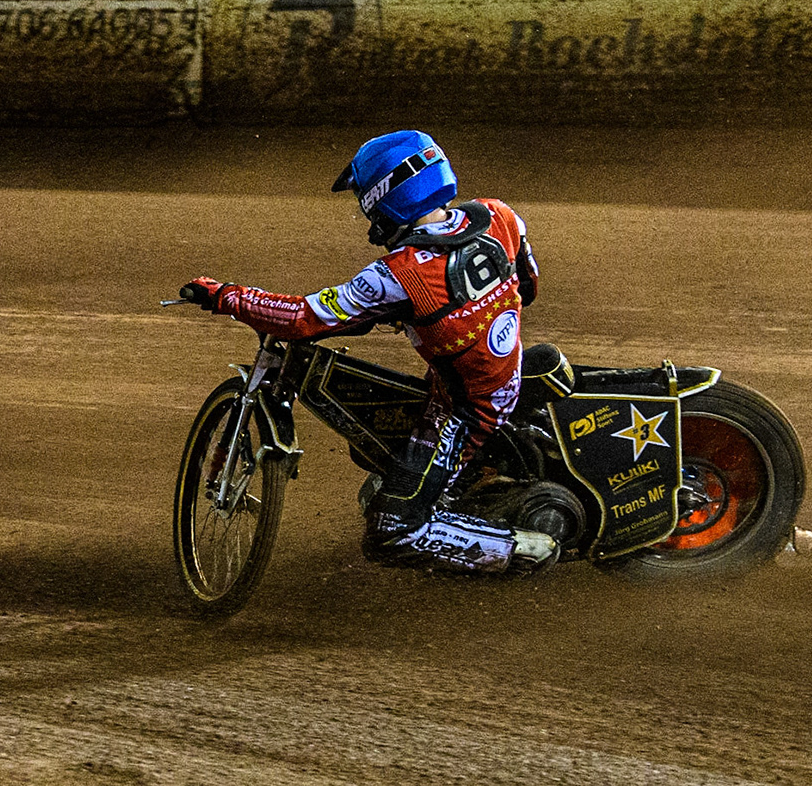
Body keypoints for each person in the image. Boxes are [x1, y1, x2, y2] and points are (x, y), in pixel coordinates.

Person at [179, 129, 557, 575]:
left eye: (365, 198)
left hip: (464, 408)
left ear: (386, 195)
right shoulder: (500, 215)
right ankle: (470, 488)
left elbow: (303, 318)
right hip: (498, 373)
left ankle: (527, 548)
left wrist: (224, 295)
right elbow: (527, 287)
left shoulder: (396, 276)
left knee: (391, 530)